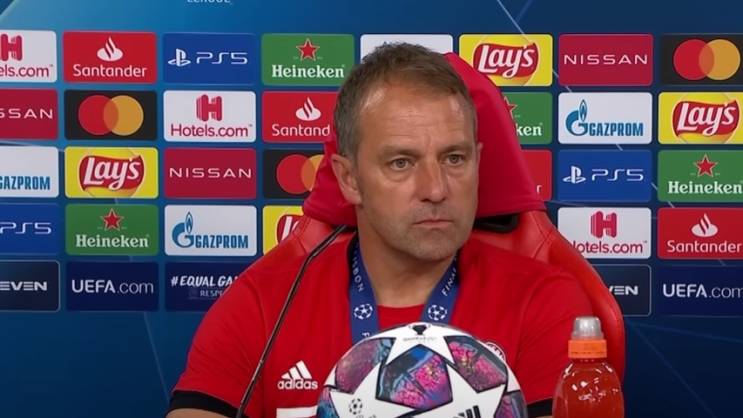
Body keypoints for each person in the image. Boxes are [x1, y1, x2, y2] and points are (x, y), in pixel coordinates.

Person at [167, 43, 593, 418]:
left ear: (478, 162)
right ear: (349, 179)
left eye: (455, 158)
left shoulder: (545, 302)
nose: (436, 189)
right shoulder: (262, 304)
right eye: (401, 163)